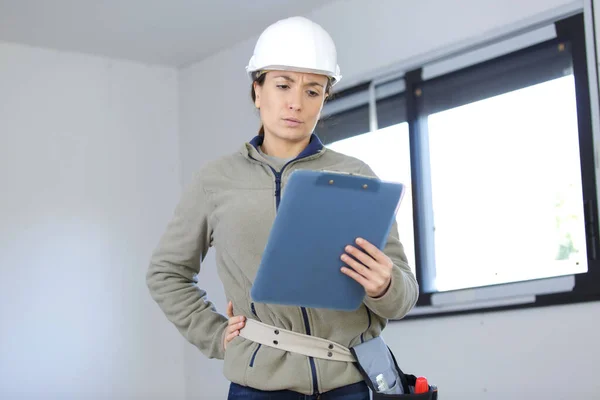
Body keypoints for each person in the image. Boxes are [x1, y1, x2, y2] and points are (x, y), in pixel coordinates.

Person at [146, 15, 419, 399]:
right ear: (257, 91)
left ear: (324, 99)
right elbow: (166, 273)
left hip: (352, 383)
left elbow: (405, 295)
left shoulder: (357, 175)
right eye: (282, 85)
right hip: (258, 388)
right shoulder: (215, 180)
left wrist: (385, 284)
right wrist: (213, 335)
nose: (296, 103)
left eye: (313, 91)